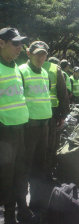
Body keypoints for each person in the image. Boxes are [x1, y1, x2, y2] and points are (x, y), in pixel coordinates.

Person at [0, 27, 36, 224]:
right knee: (6, 177)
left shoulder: (14, 66)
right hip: (4, 133)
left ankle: (22, 209)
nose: (20, 47)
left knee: (20, 173)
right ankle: (9, 216)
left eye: (21, 43)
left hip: (21, 130)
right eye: (15, 43)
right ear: (1, 43)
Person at [19, 41, 52, 217]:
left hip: (44, 125)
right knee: (25, 167)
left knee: (40, 166)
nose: (41, 57)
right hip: (29, 127)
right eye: (38, 54)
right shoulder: (22, 72)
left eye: (44, 54)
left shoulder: (45, 72)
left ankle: (37, 202)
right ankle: (22, 207)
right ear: (29, 54)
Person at [43, 57, 70, 177]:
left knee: (39, 145)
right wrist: (63, 114)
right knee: (52, 143)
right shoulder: (56, 70)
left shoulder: (24, 68)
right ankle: (49, 170)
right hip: (52, 112)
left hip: (33, 115)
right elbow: (63, 94)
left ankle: (39, 173)